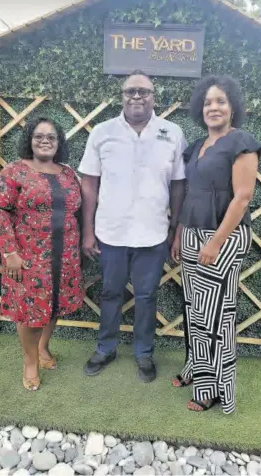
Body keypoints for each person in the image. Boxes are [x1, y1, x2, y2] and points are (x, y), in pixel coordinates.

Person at [79, 70, 187, 382]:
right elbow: (89, 183)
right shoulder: (103, 131)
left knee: (147, 296)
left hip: (153, 234)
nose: (137, 96)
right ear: (122, 96)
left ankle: (143, 353)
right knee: (111, 292)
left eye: (144, 91)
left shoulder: (172, 132)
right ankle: (106, 347)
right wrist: (88, 230)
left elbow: (179, 185)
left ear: (155, 97)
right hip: (111, 232)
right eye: (130, 91)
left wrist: (173, 227)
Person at [171, 75, 261, 413]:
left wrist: (214, 242)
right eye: (208, 102)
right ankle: (196, 367)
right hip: (193, 233)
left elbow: (242, 197)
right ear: (201, 108)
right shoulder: (197, 146)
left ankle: (213, 389)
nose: (214, 107)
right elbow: (192, 195)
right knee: (197, 310)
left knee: (213, 315)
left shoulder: (241, 141)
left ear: (232, 107)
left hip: (223, 237)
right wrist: (182, 232)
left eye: (220, 101)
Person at [0, 117, 85, 391]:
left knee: (54, 304)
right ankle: (30, 361)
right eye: (39, 136)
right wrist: (9, 251)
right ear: (29, 140)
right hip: (28, 255)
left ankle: (44, 349)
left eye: (52, 137)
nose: (45, 141)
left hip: (66, 254)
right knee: (29, 311)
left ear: (59, 143)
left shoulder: (68, 173)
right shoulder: (14, 172)